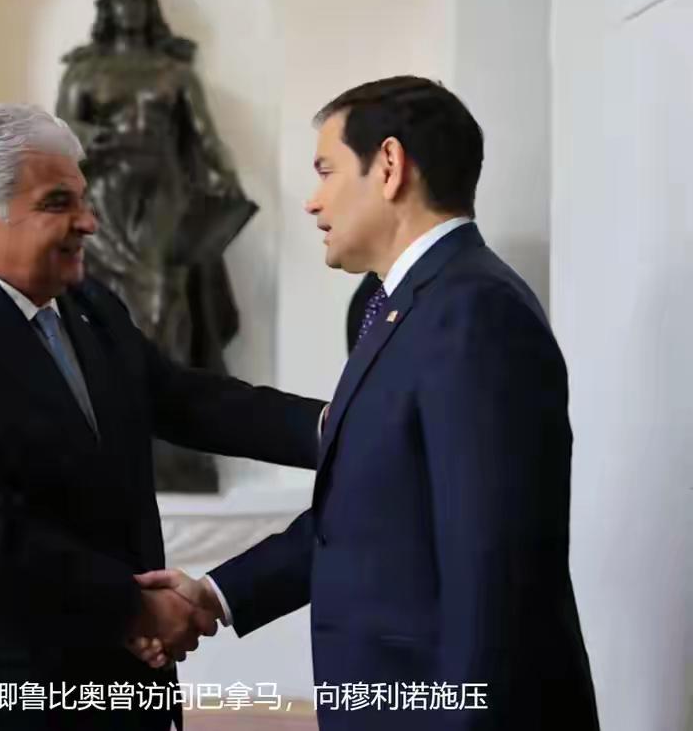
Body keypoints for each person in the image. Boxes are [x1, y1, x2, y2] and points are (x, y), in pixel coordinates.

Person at [135, 77, 600, 730]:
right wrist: (218, 592)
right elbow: (368, 510)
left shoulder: (476, 312)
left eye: (326, 170)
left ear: (388, 166)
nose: (312, 199)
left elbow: (495, 569)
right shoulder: (392, 307)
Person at [0, 104, 324, 731]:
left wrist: (338, 426)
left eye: (83, 199)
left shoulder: (90, 307)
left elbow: (189, 401)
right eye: (59, 204)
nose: (90, 222)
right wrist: (132, 606)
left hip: (106, 677)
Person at [56, 0, 258, 492]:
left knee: (166, 303)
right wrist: (91, 136)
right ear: (107, 7)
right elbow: (61, 132)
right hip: (104, 198)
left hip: (161, 196)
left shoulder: (175, 73)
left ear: (149, 7)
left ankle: (170, 441)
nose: (129, 6)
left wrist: (228, 182)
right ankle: (113, 437)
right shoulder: (84, 71)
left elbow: (206, 138)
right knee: (101, 315)